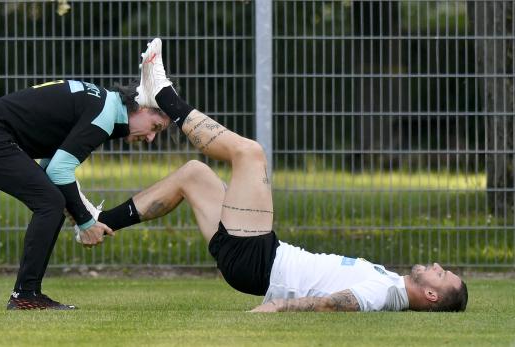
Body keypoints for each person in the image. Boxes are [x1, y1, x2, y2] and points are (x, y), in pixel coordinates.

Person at [74, 38, 468, 312]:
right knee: (194, 174)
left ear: (432, 295)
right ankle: (93, 222)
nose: (436, 265)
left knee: (250, 154)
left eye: (441, 274)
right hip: (252, 260)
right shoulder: (391, 283)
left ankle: (164, 97)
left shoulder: (385, 295)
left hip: (261, 261)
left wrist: (280, 307)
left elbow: (333, 304)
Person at [0, 78, 171, 310]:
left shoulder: (101, 102)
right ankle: (25, 295)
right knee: (50, 202)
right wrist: (85, 223)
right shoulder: (105, 114)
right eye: (155, 127)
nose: (151, 138)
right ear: (142, 107)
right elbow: (59, 170)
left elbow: (51, 166)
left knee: (52, 200)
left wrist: (82, 213)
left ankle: (27, 293)